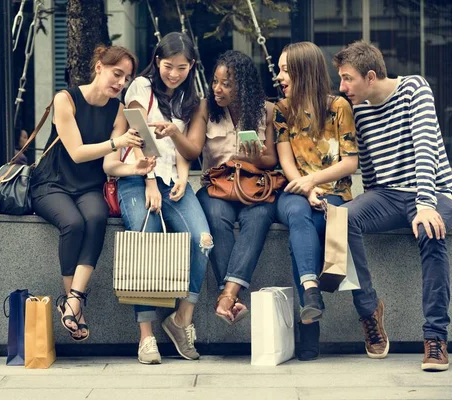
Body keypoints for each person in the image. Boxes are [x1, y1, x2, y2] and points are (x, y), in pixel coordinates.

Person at [333, 41, 452, 371]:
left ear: (371, 76)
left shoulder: (414, 89)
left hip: (434, 191)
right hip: (389, 195)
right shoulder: (358, 109)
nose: (342, 87)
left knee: (431, 232)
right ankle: (369, 309)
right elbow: (371, 170)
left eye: (348, 79)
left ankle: (435, 337)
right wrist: (370, 201)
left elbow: (425, 148)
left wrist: (425, 204)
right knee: (341, 218)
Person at [29, 45, 154, 342]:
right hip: (52, 182)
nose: (120, 83)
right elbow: (76, 152)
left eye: (126, 78)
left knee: (96, 217)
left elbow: (110, 163)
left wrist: (138, 168)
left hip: (88, 185)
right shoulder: (65, 99)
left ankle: (72, 301)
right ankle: (75, 304)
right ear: (99, 67)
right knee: (73, 223)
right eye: (116, 73)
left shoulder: (118, 110)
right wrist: (117, 142)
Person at [104, 32, 213, 365]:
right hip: (138, 177)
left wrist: (182, 178)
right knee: (146, 243)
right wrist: (149, 180)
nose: (174, 73)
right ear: (157, 61)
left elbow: (182, 150)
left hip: (172, 179)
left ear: (191, 66)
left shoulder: (190, 98)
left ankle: (181, 321)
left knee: (203, 240)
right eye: (168, 66)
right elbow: (138, 135)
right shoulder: (140, 87)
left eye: (181, 67)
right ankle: (146, 336)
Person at [273, 42, 358, 361]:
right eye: (279, 70)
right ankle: (311, 295)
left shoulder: (338, 107)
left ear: (303, 71)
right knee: (297, 211)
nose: (280, 77)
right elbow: (286, 159)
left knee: (305, 227)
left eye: (285, 70)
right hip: (296, 190)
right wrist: (306, 187)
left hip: (333, 192)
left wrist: (315, 182)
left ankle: (309, 312)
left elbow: (350, 162)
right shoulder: (282, 110)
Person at [187, 50, 279, 326]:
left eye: (226, 83)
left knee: (261, 216)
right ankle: (231, 296)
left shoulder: (267, 111)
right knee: (215, 217)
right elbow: (192, 149)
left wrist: (254, 157)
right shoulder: (206, 109)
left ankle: (226, 296)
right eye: (215, 81)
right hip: (216, 185)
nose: (217, 88)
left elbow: (272, 160)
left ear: (244, 86)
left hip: (254, 185)